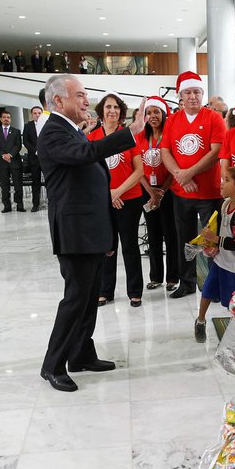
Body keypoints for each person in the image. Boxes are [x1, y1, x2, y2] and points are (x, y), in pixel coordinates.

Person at [36, 74, 146, 392]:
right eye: (81, 95)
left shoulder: (72, 130)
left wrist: (106, 233)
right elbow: (87, 156)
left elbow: (93, 180)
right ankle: (52, 364)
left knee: (87, 299)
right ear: (59, 100)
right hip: (74, 230)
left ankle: (81, 354)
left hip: (91, 229)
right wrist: (132, 132)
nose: (87, 101)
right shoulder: (53, 130)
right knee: (75, 299)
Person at [160, 71, 227, 299]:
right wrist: (180, 176)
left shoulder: (213, 118)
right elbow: (165, 151)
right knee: (185, 239)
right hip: (181, 193)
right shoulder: (173, 120)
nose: (192, 97)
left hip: (208, 193)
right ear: (181, 96)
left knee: (211, 240)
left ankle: (215, 285)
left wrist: (189, 173)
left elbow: (216, 151)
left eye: (196, 92)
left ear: (202, 94)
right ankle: (187, 281)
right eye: (187, 92)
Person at [88, 91, 145, 308]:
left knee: (130, 245)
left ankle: (134, 291)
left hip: (129, 198)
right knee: (106, 245)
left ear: (121, 112)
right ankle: (105, 290)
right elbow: (88, 173)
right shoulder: (92, 137)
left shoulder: (129, 136)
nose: (112, 111)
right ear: (101, 111)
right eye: (108, 107)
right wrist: (108, 194)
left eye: (116, 107)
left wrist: (117, 191)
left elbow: (139, 171)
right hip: (102, 201)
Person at [194, 166, 235, 342]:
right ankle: (200, 320)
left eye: (226, 180)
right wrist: (211, 242)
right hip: (220, 260)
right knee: (207, 290)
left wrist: (216, 239)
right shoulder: (225, 204)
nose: (221, 183)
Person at [135, 96, 179, 291]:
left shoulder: (171, 135)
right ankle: (155, 276)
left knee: (171, 235)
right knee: (153, 234)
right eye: (149, 112)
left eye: (156, 112)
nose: (153, 116)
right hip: (147, 190)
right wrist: (150, 191)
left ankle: (172, 277)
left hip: (168, 191)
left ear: (164, 114)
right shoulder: (140, 138)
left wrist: (161, 192)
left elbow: (174, 168)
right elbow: (136, 167)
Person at [0, 110, 24, 212]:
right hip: (2, 162)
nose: (6, 119)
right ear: (1, 119)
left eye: (8, 117)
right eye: (4, 117)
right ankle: (7, 206)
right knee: (4, 185)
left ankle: (19, 205)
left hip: (15, 162)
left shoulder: (16, 131)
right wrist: (2, 155)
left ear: (10, 119)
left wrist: (10, 155)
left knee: (18, 185)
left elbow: (18, 145)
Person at [22, 106, 44, 212]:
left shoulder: (47, 124)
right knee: (35, 182)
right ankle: (36, 205)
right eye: (35, 113)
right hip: (34, 159)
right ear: (32, 114)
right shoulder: (27, 126)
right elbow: (26, 141)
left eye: (39, 113)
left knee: (50, 182)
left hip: (47, 159)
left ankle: (54, 203)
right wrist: (36, 151)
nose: (37, 115)